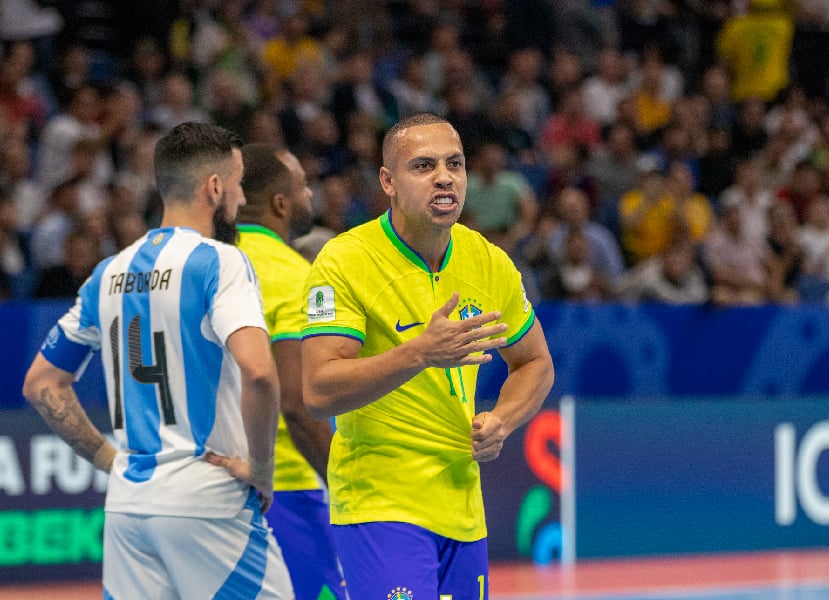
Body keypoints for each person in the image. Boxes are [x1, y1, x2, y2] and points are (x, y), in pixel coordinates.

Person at [21, 122, 293, 599]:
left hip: (128, 507)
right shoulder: (221, 261)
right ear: (214, 187)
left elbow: (42, 384)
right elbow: (259, 371)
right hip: (207, 502)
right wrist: (262, 469)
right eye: (237, 181)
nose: (240, 195)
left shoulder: (108, 272)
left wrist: (108, 459)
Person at [298, 113, 554, 597]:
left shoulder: (489, 261)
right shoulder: (345, 260)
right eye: (423, 166)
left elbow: (535, 363)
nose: (444, 177)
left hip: (462, 505)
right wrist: (419, 352)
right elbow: (317, 389)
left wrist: (502, 418)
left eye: (454, 164)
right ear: (388, 182)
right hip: (380, 502)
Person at [235, 142, 347, 600]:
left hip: (210, 483)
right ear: (280, 203)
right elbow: (299, 406)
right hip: (286, 487)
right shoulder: (295, 275)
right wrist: (346, 483)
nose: (310, 196)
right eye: (302, 187)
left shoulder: (206, 262)